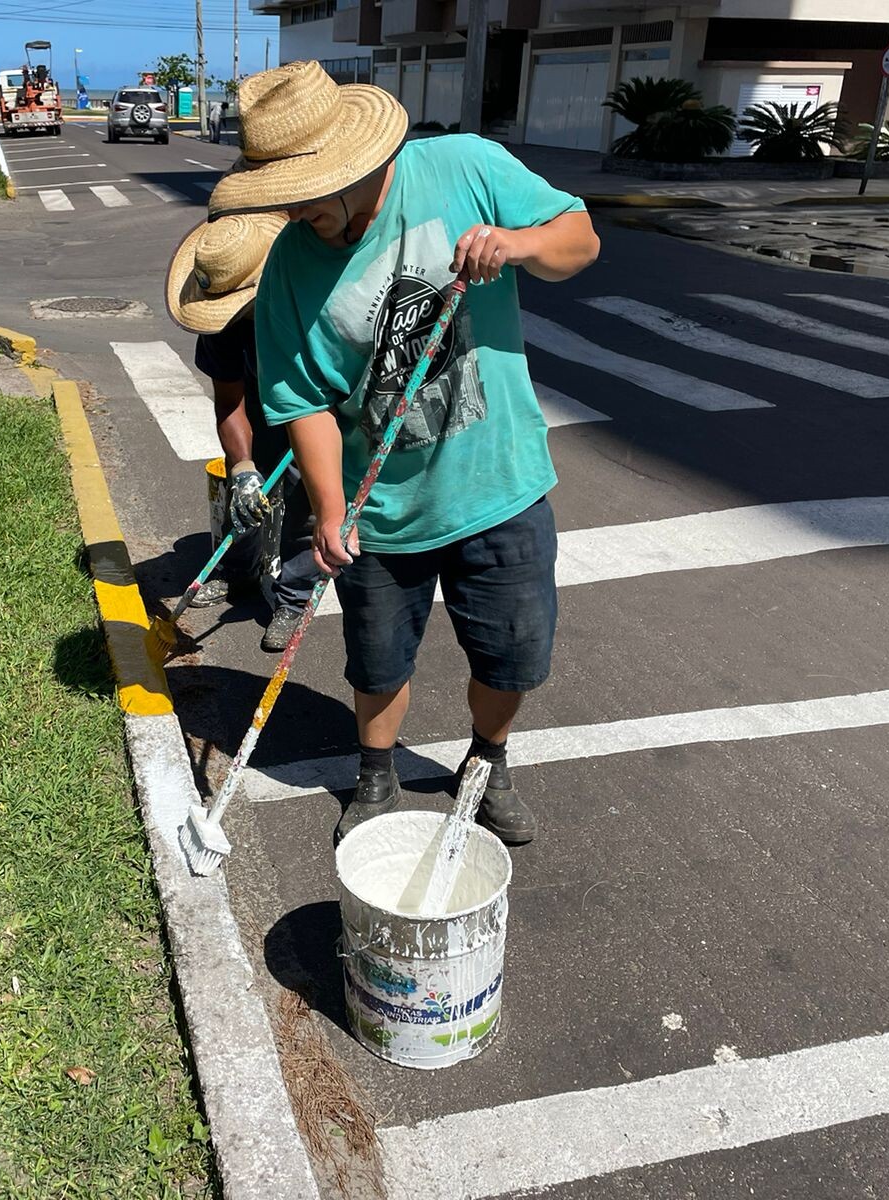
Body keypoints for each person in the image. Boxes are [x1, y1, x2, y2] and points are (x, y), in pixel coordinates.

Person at [208, 60, 600, 847]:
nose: (293, 210)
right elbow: (304, 399)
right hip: (379, 509)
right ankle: (377, 774)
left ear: (354, 167)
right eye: (280, 195)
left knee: (510, 654)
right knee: (377, 660)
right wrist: (326, 508)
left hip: (502, 485)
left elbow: (579, 241)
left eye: (305, 192)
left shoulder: (465, 166)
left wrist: (517, 244)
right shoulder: (288, 264)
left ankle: (487, 762)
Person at [165, 213, 320, 652]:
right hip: (259, 391)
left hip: (318, 397)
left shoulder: (309, 298)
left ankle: (294, 596)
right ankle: (239, 572)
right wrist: (245, 469)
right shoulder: (220, 315)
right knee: (247, 490)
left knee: (303, 492)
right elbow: (229, 400)